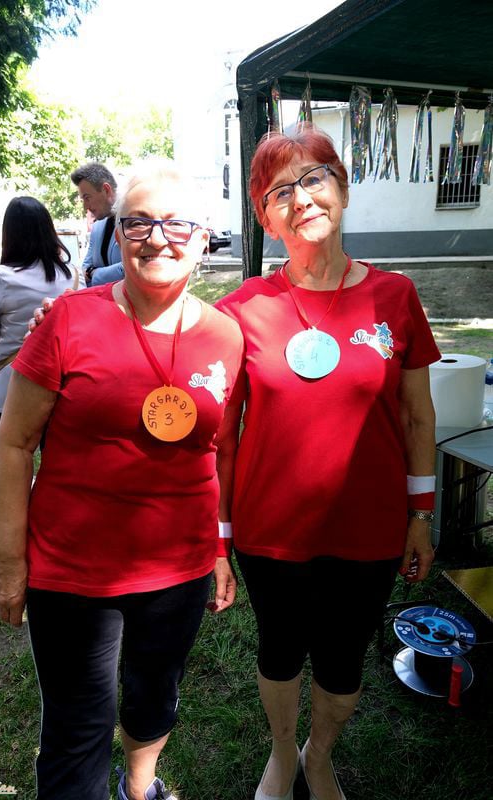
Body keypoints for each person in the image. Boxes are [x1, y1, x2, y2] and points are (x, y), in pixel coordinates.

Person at [0, 161, 244, 800]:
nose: (158, 238)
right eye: (139, 223)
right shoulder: (68, 320)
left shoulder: (226, 336)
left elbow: (218, 453)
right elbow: (13, 446)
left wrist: (218, 550)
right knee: (77, 725)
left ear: (203, 236)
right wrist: (11, 562)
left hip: (178, 568)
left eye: (176, 224)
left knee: (155, 696)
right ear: (117, 231)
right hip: (73, 571)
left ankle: (141, 784)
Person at [215, 127, 441, 800]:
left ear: (342, 188)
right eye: (280, 190)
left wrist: (421, 515)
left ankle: (320, 754)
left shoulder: (395, 296)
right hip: (270, 531)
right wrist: (219, 537)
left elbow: (417, 417)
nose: (302, 197)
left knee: (343, 665)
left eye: (314, 178)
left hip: (368, 530)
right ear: (266, 218)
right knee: (280, 652)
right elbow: (221, 439)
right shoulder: (241, 310)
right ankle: (283, 752)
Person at [0, 197, 82, 569]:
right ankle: (57, 535)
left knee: (6, 463)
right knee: (59, 463)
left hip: (12, 379)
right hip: (61, 378)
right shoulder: (70, 274)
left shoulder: (0, 276)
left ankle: (1, 544)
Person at [71, 161, 124, 286]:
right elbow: (85, 270)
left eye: (87, 198)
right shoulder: (97, 227)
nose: (85, 206)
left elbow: (130, 267)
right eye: (83, 200)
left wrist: (94, 273)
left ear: (106, 190)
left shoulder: (136, 220)